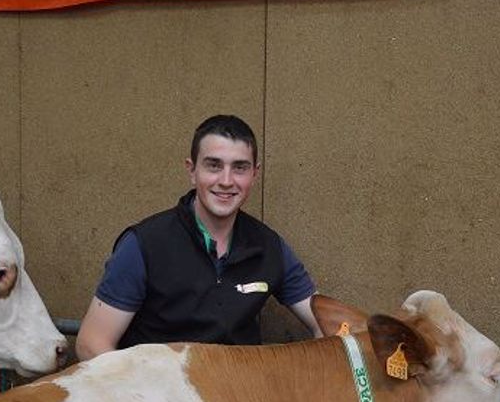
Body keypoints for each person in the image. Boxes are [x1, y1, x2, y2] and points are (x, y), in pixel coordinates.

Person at [75, 114, 322, 361]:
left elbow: (325, 322)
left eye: (239, 168)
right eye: (214, 165)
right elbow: (91, 344)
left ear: (254, 175)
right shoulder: (144, 245)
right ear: (192, 170)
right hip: (158, 391)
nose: (226, 181)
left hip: (238, 391)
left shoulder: (269, 247)